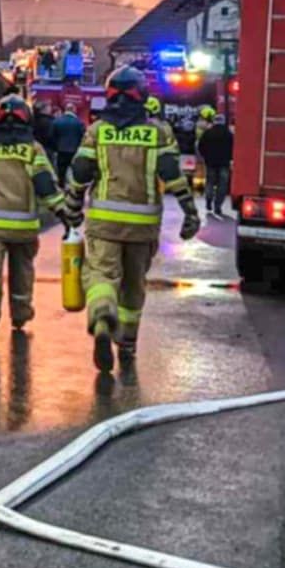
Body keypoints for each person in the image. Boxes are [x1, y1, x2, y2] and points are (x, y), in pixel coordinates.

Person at [68, 65, 201, 373]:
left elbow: (80, 174)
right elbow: (172, 174)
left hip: (104, 223)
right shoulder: (159, 132)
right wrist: (190, 212)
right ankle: (127, 345)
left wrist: (73, 208)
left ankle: (102, 317)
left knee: (101, 275)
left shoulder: (97, 131)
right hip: (142, 226)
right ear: (142, 96)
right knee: (133, 287)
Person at [0, 96, 76, 339]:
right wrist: (64, 214)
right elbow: (45, 186)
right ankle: (20, 317)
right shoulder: (33, 149)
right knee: (22, 272)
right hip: (23, 226)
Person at [197, 110, 234, 217]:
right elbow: (233, 148)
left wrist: (206, 156)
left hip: (211, 163)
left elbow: (201, 146)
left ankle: (208, 201)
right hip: (224, 163)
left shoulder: (207, 133)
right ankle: (217, 206)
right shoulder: (229, 134)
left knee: (210, 182)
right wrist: (230, 158)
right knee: (222, 186)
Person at [50, 104, 85, 187]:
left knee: (61, 171)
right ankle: (74, 188)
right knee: (75, 171)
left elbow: (52, 136)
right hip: (75, 151)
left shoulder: (56, 121)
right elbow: (83, 137)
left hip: (61, 150)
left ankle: (61, 186)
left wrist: (56, 147)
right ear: (74, 110)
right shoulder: (79, 122)